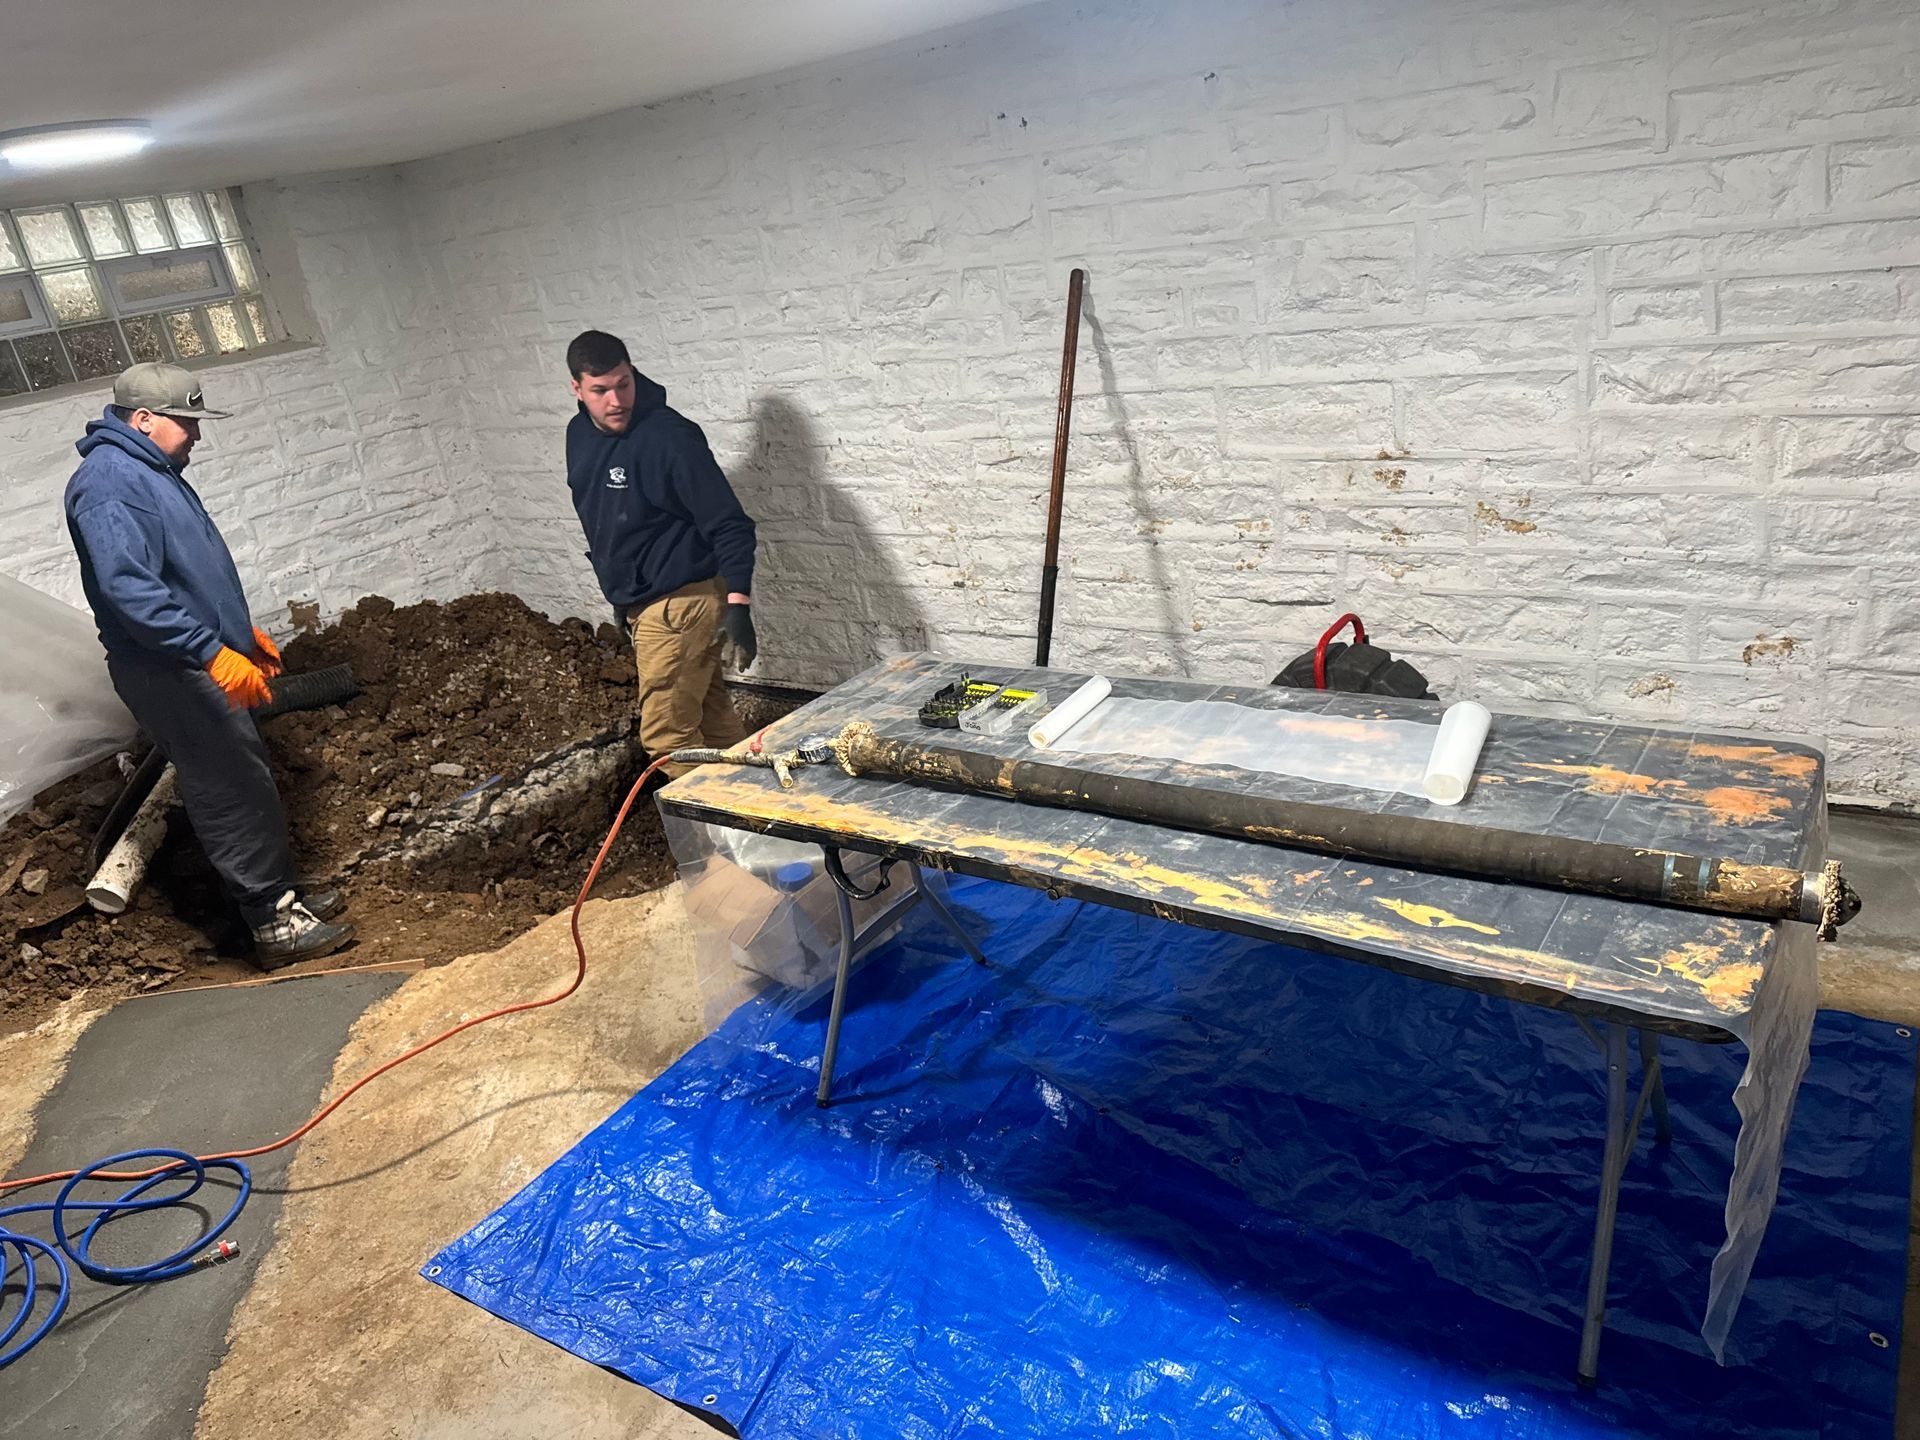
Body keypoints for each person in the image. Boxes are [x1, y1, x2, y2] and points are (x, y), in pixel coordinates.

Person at [63, 362, 353, 968]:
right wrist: (208, 649)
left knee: (244, 778)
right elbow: (130, 592)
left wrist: (237, 632)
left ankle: (282, 899)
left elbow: (181, 572)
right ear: (143, 420)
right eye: (185, 422)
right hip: (168, 669)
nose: (196, 434)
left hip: (189, 656)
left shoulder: (148, 470)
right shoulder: (110, 483)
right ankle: (273, 922)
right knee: (228, 788)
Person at [564, 329, 758, 777]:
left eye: (624, 384)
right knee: (712, 724)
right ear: (577, 388)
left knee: (668, 741)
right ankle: (762, 831)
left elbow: (730, 524)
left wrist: (739, 605)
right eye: (600, 390)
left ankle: (714, 848)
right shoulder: (578, 435)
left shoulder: (670, 439)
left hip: (677, 606)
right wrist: (621, 594)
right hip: (645, 600)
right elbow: (606, 518)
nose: (616, 400)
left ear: (633, 374)